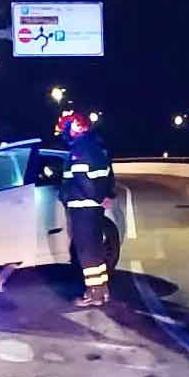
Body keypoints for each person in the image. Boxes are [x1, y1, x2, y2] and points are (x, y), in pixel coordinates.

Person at [57, 111, 114, 307]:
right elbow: (108, 176)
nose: (67, 131)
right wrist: (106, 196)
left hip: (83, 207)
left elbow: (82, 180)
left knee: (86, 252)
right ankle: (102, 290)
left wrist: (97, 198)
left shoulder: (79, 149)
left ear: (80, 127)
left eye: (70, 126)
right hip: (94, 208)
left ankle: (94, 294)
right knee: (95, 250)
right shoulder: (97, 147)